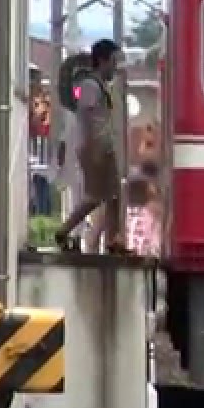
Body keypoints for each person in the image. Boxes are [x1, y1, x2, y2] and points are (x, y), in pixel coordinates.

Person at [54, 38, 125, 253]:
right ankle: (64, 231)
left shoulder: (99, 86)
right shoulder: (90, 86)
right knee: (96, 197)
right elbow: (85, 117)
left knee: (113, 195)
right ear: (102, 60)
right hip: (96, 147)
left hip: (102, 146)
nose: (115, 67)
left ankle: (114, 240)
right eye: (113, 61)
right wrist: (93, 148)